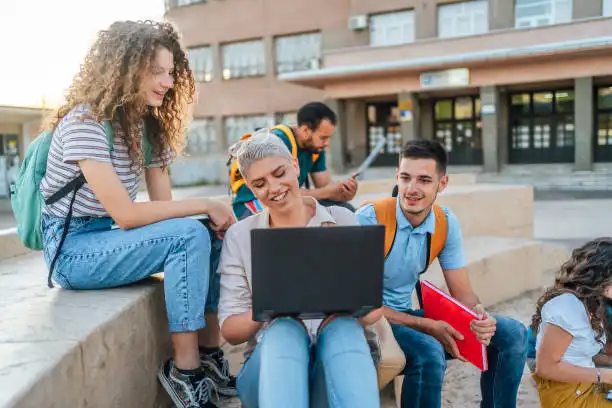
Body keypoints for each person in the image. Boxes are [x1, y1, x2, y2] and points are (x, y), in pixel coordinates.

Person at [39, 20, 236, 408]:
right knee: (192, 229)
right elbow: (127, 215)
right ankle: (185, 371)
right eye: (155, 72)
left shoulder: (147, 128)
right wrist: (205, 203)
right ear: (125, 69)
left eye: (170, 72)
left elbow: (165, 210)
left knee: (205, 232)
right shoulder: (85, 122)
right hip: (72, 251)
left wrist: (206, 216)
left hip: (107, 239)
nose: (166, 82)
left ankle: (210, 352)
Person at [356, 139, 528, 408]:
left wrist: (479, 317)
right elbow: (359, 304)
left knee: (513, 334)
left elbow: (463, 294)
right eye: (405, 178)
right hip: (371, 321)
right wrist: (427, 325)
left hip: (405, 317)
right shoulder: (370, 219)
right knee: (429, 351)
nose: (412, 189)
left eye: (424, 180)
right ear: (397, 177)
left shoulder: (445, 222)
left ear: (442, 183)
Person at [217, 129, 383, 407]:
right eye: (259, 183)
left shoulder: (341, 219)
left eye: (279, 173)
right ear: (251, 189)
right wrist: (269, 303)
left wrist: (345, 300)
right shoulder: (240, 236)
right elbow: (231, 332)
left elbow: (373, 313)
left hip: (334, 362)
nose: (273, 188)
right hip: (269, 368)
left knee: (342, 327)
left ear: (295, 166)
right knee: (284, 329)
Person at [230, 102, 358, 219]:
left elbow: (324, 188)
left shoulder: (315, 148)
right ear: (305, 130)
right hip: (253, 203)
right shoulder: (277, 142)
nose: (327, 143)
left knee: (345, 210)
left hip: (286, 199)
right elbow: (277, 190)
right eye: (323, 138)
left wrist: (344, 193)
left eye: (329, 138)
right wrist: (329, 192)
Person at [531, 238, 612, 407]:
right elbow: (545, 368)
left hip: (586, 385)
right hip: (568, 397)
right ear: (602, 275)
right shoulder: (567, 307)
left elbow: (576, 354)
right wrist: (604, 376)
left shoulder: (592, 302)